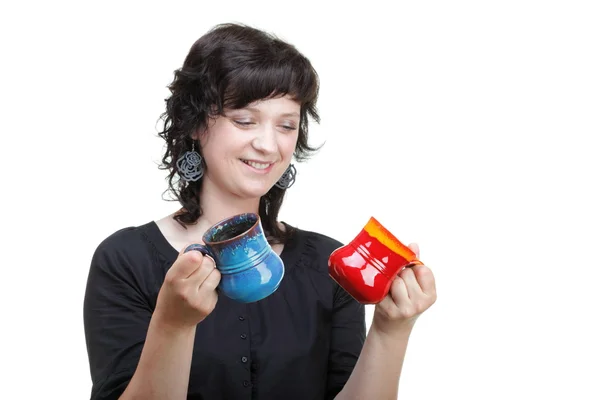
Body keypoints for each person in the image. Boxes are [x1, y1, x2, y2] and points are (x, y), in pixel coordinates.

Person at [83, 22, 437, 400]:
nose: (268, 145)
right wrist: (172, 325)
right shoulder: (125, 260)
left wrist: (390, 331)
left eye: (286, 125)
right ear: (195, 125)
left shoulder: (328, 265)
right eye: (244, 121)